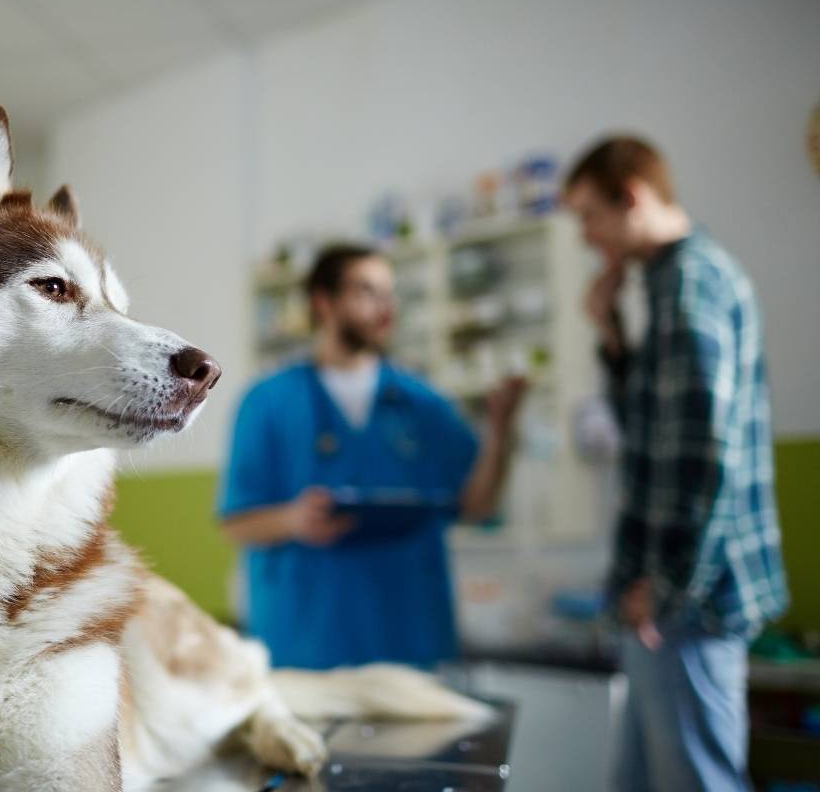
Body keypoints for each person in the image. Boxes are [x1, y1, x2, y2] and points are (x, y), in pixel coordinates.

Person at [564, 136, 788, 792]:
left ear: (632, 197)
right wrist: (611, 334)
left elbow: (706, 458)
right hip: (672, 595)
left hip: (686, 601)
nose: (585, 236)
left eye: (589, 215)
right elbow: (651, 431)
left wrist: (666, 588)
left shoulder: (692, 283)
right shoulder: (671, 284)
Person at [218, 243, 526, 670]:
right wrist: (294, 520)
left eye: (389, 293)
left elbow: (478, 506)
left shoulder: (425, 405)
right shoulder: (266, 403)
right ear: (324, 303)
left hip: (412, 643)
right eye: (367, 291)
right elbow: (235, 523)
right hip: (306, 649)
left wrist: (501, 431)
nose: (386, 307)